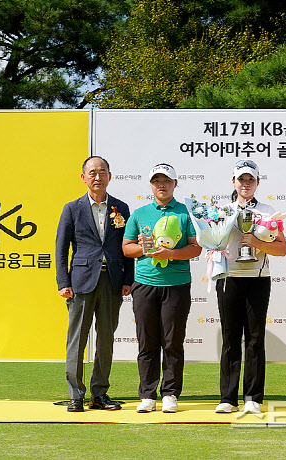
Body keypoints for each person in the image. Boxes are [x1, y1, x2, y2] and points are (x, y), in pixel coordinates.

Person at [56, 156, 134, 412]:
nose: (97, 177)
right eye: (92, 173)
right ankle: (76, 394)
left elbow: (127, 246)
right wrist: (63, 281)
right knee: (76, 339)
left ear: (110, 176)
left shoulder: (121, 208)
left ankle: (99, 393)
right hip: (80, 282)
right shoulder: (72, 208)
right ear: (83, 178)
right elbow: (61, 248)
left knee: (106, 340)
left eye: (102, 172)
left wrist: (127, 280)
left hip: (112, 281)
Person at [122, 163, 201, 413]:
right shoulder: (139, 213)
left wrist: (171, 253)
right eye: (157, 181)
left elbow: (195, 248)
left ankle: (170, 393)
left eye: (166, 181)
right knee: (147, 342)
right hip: (144, 285)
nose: (161, 185)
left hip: (176, 285)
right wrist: (147, 248)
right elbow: (126, 248)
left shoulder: (186, 213)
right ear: (151, 185)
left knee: (173, 342)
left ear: (175, 184)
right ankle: (147, 394)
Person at [214, 160, 286, 415]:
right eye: (241, 179)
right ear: (233, 182)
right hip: (228, 277)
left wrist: (256, 241)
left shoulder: (268, 211)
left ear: (257, 183)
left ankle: (253, 397)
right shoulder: (221, 210)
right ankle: (228, 397)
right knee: (230, 337)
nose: (246, 184)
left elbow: (281, 248)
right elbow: (210, 241)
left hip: (257, 278)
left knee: (255, 338)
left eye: (251, 180)